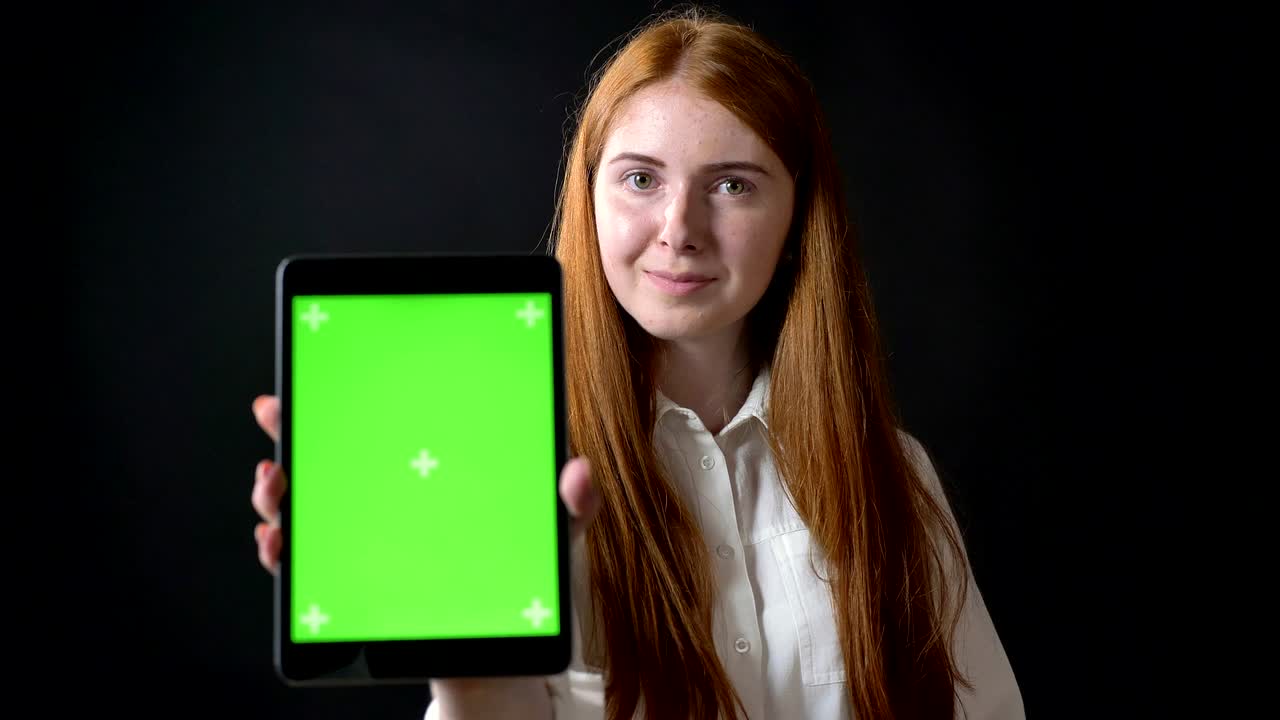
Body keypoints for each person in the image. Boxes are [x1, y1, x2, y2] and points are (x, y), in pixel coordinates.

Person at [250, 7, 1024, 719]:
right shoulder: (518, 476)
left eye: (731, 184)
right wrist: (477, 682)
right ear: (591, 197)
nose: (678, 228)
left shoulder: (895, 474)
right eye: (640, 179)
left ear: (796, 217)